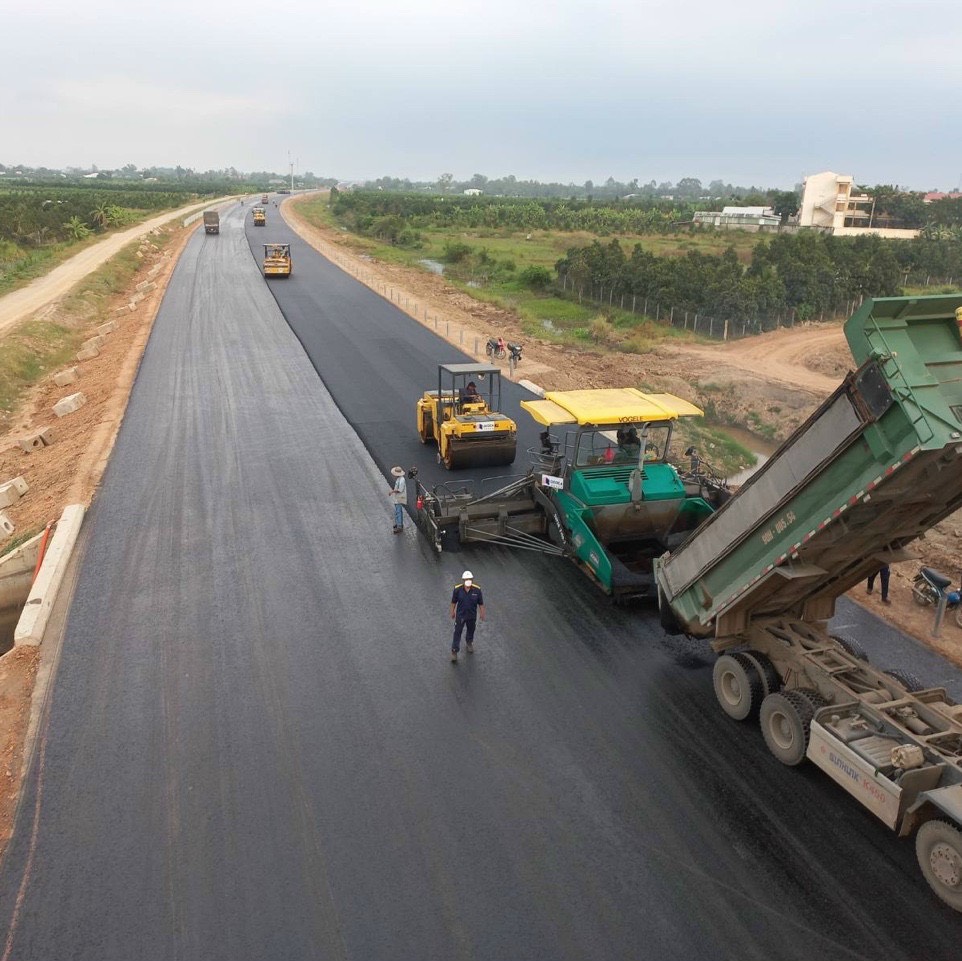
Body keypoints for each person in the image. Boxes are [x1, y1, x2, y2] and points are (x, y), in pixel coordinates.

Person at [450, 570, 484, 662]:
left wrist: (482, 613)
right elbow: (453, 602)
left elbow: (480, 603)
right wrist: (452, 612)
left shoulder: (477, 590)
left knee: (471, 630)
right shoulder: (457, 590)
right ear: (463, 580)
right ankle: (454, 651)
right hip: (460, 616)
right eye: (466, 579)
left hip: (472, 616)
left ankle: (469, 642)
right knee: (457, 632)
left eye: (470, 579)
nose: (468, 580)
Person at [389, 466, 406, 533]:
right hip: (398, 497)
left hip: (400, 497)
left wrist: (392, 491)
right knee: (398, 510)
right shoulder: (399, 479)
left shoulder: (402, 480)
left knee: (398, 511)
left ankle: (399, 526)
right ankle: (398, 523)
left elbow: (399, 490)